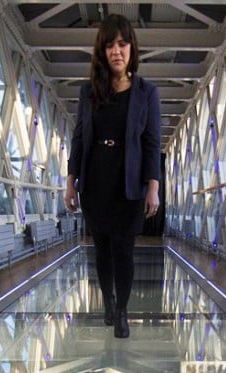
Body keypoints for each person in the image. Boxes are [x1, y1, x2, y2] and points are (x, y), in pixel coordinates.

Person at [65, 13, 161, 339]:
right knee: (102, 249)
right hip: (96, 180)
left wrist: (153, 187)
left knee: (124, 250)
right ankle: (107, 300)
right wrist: (70, 182)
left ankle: (122, 312)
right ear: (102, 52)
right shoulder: (88, 91)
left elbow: (151, 142)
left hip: (128, 182)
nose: (116, 51)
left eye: (122, 44)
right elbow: (79, 137)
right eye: (109, 45)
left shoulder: (147, 93)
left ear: (132, 47)